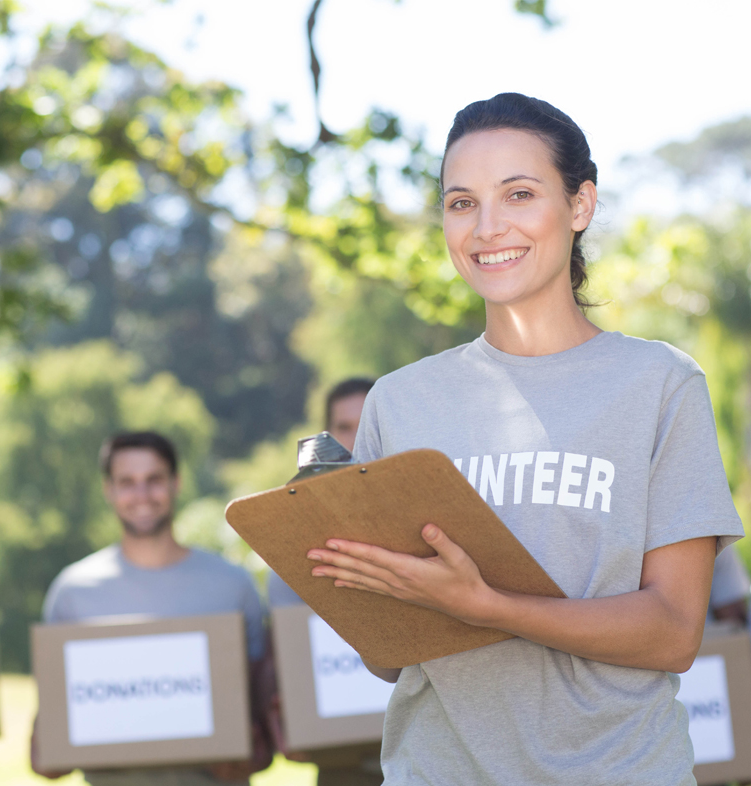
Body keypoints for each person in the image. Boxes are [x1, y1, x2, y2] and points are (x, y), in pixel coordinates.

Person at [305, 93, 745, 785]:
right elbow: (388, 659)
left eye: (518, 193)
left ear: (580, 205)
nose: (486, 227)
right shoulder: (400, 399)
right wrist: (353, 577)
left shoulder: (659, 384)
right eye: (460, 203)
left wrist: (485, 605)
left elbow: (673, 631)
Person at [32, 431, 271, 786]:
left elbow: (264, 732)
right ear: (108, 489)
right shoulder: (73, 592)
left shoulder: (233, 586)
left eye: (154, 480)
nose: (141, 495)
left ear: (176, 483)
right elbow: (45, 753)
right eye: (127, 482)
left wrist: (248, 753)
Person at [266, 378, 383, 786]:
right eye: (344, 427)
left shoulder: (438, 525)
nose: (356, 439)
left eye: (368, 420)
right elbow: (289, 660)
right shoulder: (288, 552)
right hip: (342, 768)